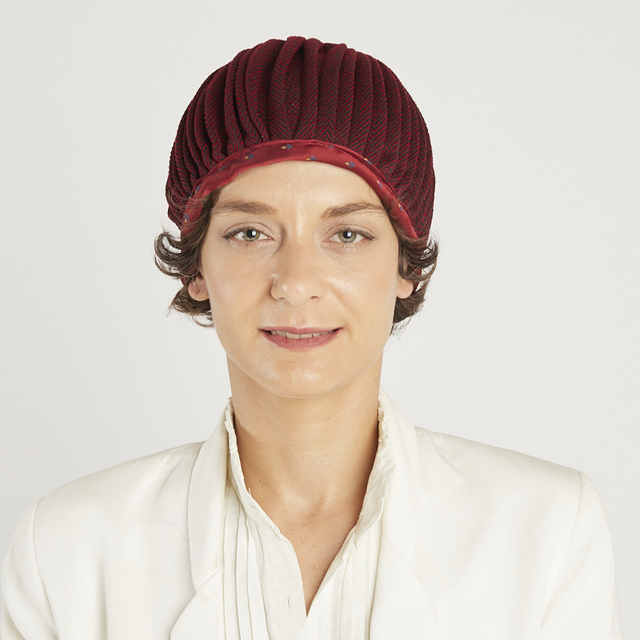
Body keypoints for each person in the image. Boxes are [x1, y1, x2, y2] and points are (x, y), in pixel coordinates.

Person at [1, 36, 623, 639]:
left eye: (347, 235)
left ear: (405, 266)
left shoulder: (547, 536)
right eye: (250, 234)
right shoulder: (65, 553)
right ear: (197, 268)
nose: (295, 283)